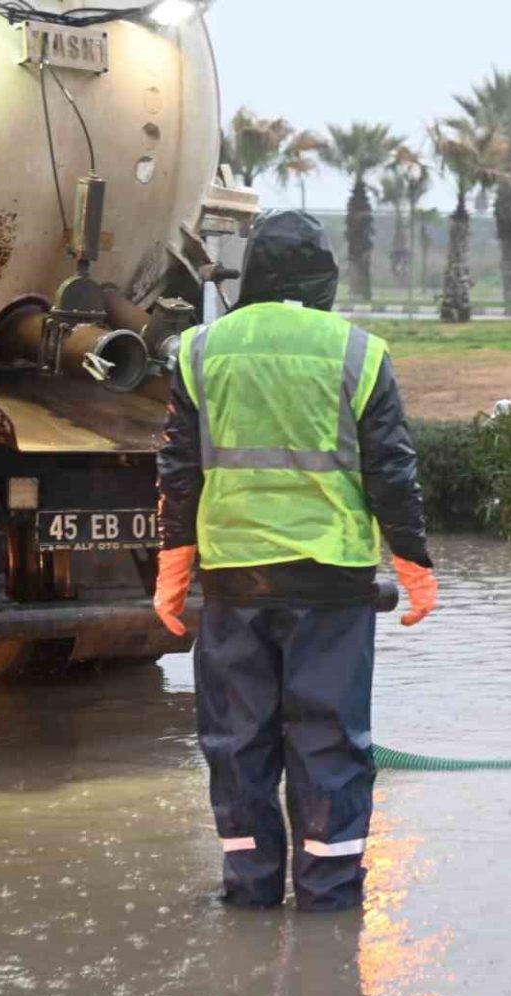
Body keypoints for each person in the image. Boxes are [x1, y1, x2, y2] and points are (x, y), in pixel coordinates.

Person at [152, 209, 438, 911]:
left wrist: (172, 572)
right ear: (324, 275)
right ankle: (329, 900)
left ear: (251, 271)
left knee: (237, 741)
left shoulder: (199, 351)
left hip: (234, 581)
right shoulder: (359, 353)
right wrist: (414, 566)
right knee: (330, 740)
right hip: (332, 583)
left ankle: (249, 891)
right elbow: (392, 470)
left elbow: (178, 473)